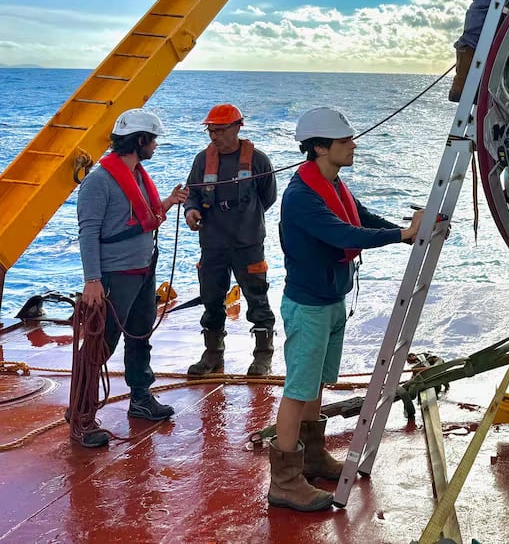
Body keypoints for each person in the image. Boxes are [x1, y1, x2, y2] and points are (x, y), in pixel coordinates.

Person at [268, 107, 425, 512]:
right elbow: (341, 233)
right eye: (344, 141)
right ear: (320, 147)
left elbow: (361, 217)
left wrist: (404, 233)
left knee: (316, 384)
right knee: (298, 390)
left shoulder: (333, 183)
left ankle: (314, 456)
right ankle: (284, 482)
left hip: (330, 300)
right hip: (309, 306)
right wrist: (401, 234)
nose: (352, 145)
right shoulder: (301, 197)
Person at [74, 108, 189, 447]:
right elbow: (88, 231)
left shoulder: (137, 175)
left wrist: (168, 202)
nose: (155, 146)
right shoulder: (99, 182)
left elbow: (141, 218)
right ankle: (81, 413)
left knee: (140, 334)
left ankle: (141, 398)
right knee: (101, 342)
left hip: (142, 270)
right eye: (152, 140)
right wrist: (92, 280)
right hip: (115, 276)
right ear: (139, 140)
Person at [183, 103, 278, 377]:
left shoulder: (258, 160)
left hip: (248, 243)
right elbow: (193, 193)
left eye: (220, 131)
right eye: (211, 131)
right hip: (212, 243)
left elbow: (267, 197)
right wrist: (191, 210)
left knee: (256, 298)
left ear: (237, 128)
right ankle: (212, 354)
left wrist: (246, 218)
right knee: (211, 298)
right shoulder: (203, 160)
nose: (215, 136)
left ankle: (263, 356)